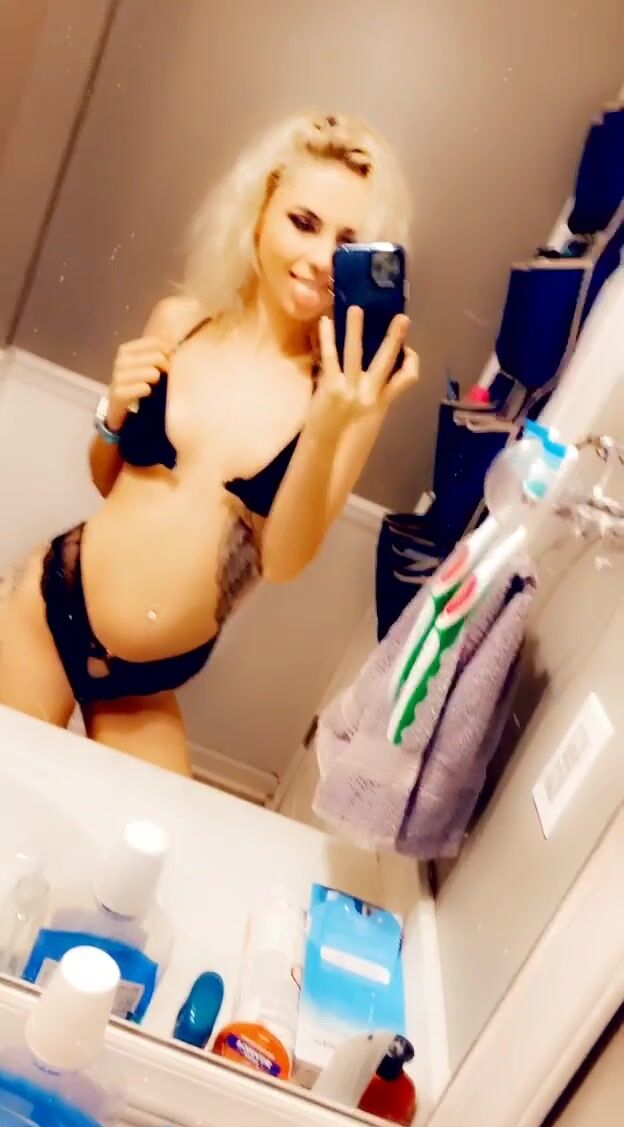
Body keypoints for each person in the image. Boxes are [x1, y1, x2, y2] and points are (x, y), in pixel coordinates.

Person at [0, 110, 418, 777]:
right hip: (49, 612)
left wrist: (327, 425)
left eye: (347, 243)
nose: (319, 259)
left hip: (143, 686)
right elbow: (109, 482)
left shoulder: (350, 395)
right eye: (303, 222)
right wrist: (113, 413)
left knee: (140, 832)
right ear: (260, 214)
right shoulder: (182, 322)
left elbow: (283, 561)